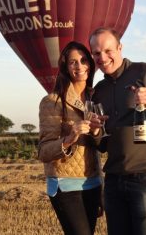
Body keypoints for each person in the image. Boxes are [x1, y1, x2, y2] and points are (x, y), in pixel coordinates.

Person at [89, 27, 146, 235]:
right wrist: (95, 132)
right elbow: (103, 146)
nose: (103, 57)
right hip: (114, 181)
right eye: (96, 53)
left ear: (120, 47)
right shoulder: (99, 91)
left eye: (108, 50)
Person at [38, 41, 103, 235]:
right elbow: (43, 152)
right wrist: (70, 137)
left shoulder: (96, 98)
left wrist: (97, 131)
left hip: (93, 182)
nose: (80, 66)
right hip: (66, 184)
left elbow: (100, 146)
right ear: (66, 67)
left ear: (91, 64)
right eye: (73, 62)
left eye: (84, 60)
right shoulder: (52, 101)